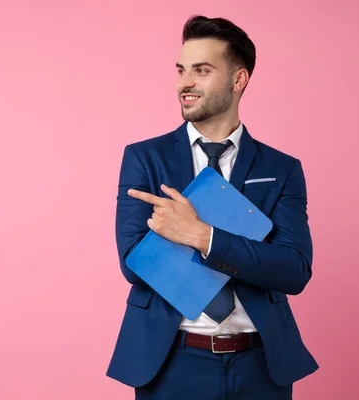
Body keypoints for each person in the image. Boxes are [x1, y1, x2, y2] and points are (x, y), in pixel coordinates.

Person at [106, 14, 319, 400]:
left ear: (239, 80)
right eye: (181, 70)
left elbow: (293, 270)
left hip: (260, 365)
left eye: (201, 70)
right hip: (170, 363)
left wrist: (204, 236)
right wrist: (251, 252)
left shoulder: (281, 169)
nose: (185, 83)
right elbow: (135, 265)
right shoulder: (144, 158)